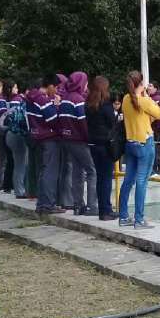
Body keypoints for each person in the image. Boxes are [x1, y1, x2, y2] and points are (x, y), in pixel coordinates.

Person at [119, 71, 160, 229]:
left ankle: (123, 217)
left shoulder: (125, 99)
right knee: (142, 181)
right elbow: (159, 114)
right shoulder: (143, 100)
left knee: (128, 180)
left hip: (130, 143)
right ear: (141, 83)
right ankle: (139, 219)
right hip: (144, 142)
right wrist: (149, 97)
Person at [59, 71, 98, 216]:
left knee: (77, 172)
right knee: (91, 171)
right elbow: (83, 122)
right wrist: (89, 138)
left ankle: (77, 205)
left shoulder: (65, 99)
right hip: (80, 141)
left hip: (67, 140)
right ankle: (92, 206)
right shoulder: (78, 100)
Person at [26, 74, 65, 214]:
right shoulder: (43, 100)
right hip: (49, 139)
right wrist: (58, 107)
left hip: (36, 137)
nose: (56, 91)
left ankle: (42, 203)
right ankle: (48, 204)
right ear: (49, 86)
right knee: (49, 172)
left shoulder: (31, 98)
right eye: (56, 87)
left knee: (43, 172)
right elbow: (53, 119)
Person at [86, 76, 120, 221]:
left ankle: (102, 209)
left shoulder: (88, 105)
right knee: (106, 179)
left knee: (99, 178)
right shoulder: (106, 106)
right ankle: (106, 210)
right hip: (105, 145)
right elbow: (112, 123)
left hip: (93, 144)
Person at [4, 80, 29, 198]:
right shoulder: (18, 101)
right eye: (15, 87)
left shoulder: (8, 100)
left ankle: (18, 188)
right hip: (17, 134)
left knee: (17, 163)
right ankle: (20, 190)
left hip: (9, 133)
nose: (17, 89)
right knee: (20, 163)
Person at [55, 73, 73, 209]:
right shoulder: (68, 97)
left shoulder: (62, 97)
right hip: (69, 138)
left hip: (60, 137)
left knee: (62, 168)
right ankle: (67, 200)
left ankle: (61, 199)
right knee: (68, 168)